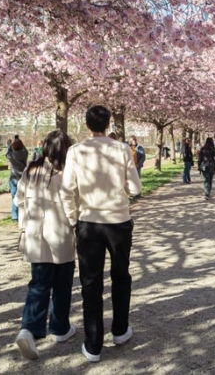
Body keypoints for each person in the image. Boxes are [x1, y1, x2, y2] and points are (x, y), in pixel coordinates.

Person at [61, 105, 141, 363]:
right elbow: (135, 187)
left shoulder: (76, 151)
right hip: (118, 221)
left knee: (90, 282)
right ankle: (119, 330)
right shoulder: (121, 149)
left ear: (87, 125)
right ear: (108, 124)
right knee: (121, 275)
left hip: (89, 222)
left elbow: (66, 190)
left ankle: (93, 344)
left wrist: (74, 218)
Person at [14, 131, 76, 360]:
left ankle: (28, 329)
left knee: (38, 285)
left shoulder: (31, 169)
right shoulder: (67, 172)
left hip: (35, 235)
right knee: (62, 284)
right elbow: (75, 204)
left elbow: (18, 200)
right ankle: (60, 328)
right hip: (60, 235)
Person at [6, 138, 29, 222]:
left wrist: (9, 145)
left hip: (13, 177)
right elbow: (26, 150)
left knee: (14, 196)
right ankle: (24, 214)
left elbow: (7, 154)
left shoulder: (12, 155)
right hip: (22, 177)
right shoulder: (24, 153)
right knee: (24, 196)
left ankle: (15, 216)